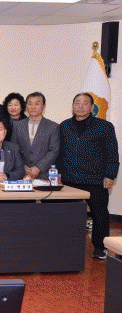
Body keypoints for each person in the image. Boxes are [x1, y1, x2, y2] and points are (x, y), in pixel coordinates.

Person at [57, 93, 119, 259]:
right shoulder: (64, 126)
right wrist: (59, 172)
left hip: (95, 179)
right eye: (77, 103)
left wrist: (110, 175)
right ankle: (68, 245)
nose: (81, 106)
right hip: (70, 179)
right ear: (72, 106)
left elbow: (112, 153)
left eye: (85, 103)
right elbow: (60, 153)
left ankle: (100, 247)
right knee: (69, 214)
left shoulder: (104, 126)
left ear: (92, 107)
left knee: (100, 214)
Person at [11, 92, 59, 180]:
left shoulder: (53, 126)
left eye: (37, 104)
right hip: (23, 173)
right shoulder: (18, 125)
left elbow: (54, 150)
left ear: (44, 106)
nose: (33, 107)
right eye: (30, 104)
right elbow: (14, 149)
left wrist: (38, 167)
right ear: (26, 106)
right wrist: (22, 166)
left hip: (44, 174)